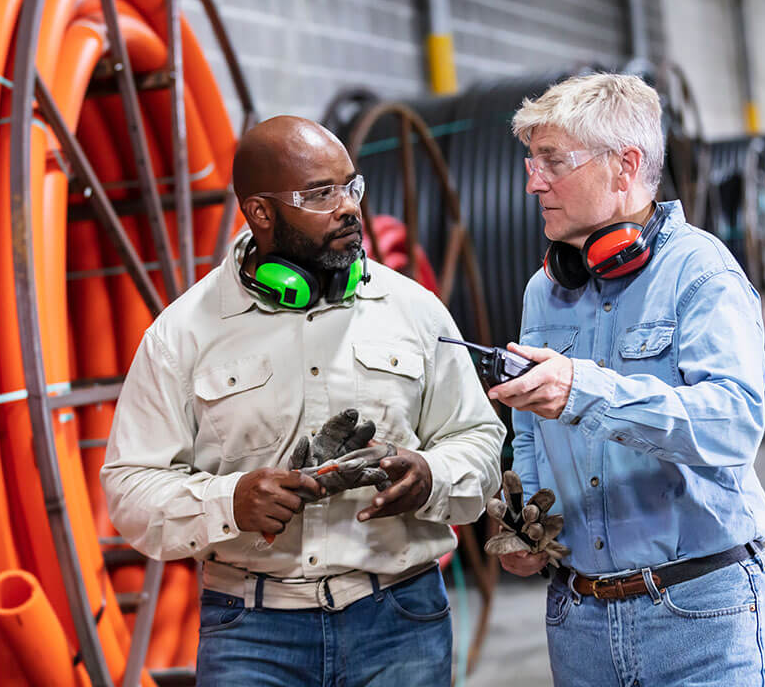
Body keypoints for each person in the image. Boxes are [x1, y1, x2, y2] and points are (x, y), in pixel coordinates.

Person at [101, 115, 504, 687]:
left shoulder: (413, 310)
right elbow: (129, 487)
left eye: (350, 186)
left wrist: (431, 474)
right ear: (261, 213)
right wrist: (230, 501)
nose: (349, 208)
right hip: (252, 635)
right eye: (320, 194)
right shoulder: (183, 335)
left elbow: (480, 436)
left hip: (401, 619)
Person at [490, 73, 765, 687]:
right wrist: (524, 524)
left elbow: (731, 426)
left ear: (624, 167)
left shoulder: (701, 275)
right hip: (579, 621)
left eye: (553, 162)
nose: (533, 182)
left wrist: (586, 392)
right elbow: (528, 436)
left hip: (700, 612)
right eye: (531, 162)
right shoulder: (545, 291)